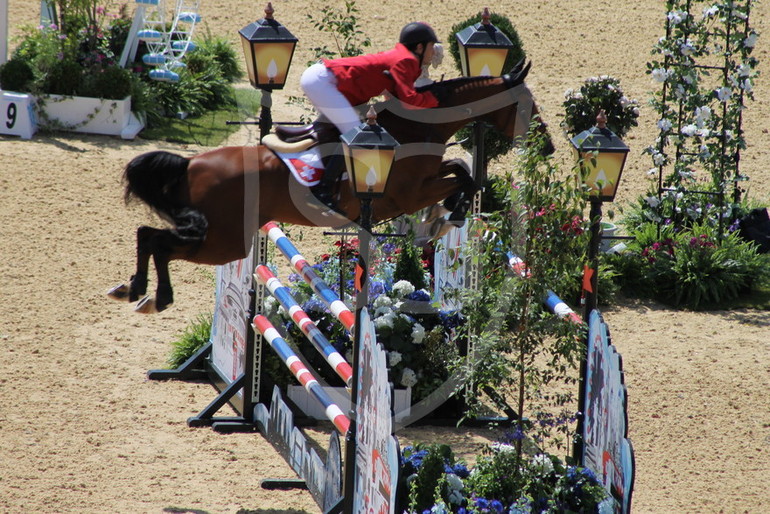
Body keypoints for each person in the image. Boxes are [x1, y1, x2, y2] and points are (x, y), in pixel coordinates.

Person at [300, 22, 442, 213]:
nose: (433, 52)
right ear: (419, 47)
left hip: (322, 79)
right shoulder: (406, 60)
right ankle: (322, 191)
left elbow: (393, 96)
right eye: (432, 47)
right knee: (356, 136)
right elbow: (409, 101)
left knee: (343, 131)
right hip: (323, 81)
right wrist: (436, 99)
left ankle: (322, 177)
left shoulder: (402, 58)